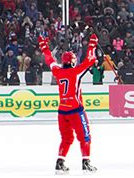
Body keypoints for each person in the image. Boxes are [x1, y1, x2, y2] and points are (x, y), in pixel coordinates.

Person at [38, 34, 98, 174]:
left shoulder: (58, 72)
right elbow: (91, 59)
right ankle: (86, 163)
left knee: (66, 138)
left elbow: (50, 60)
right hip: (76, 110)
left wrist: (44, 47)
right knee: (85, 136)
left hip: (62, 111)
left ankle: (60, 162)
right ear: (72, 61)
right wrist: (92, 45)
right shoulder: (76, 72)